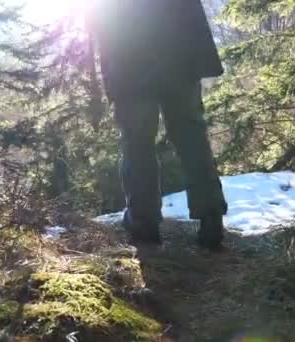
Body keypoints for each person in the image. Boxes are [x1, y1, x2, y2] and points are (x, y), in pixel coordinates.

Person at [88, 0, 228, 250]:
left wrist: (110, 76)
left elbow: (105, 17)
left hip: (130, 63)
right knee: (191, 138)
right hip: (179, 58)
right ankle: (211, 219)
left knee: (137, 142)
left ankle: (144, 224)